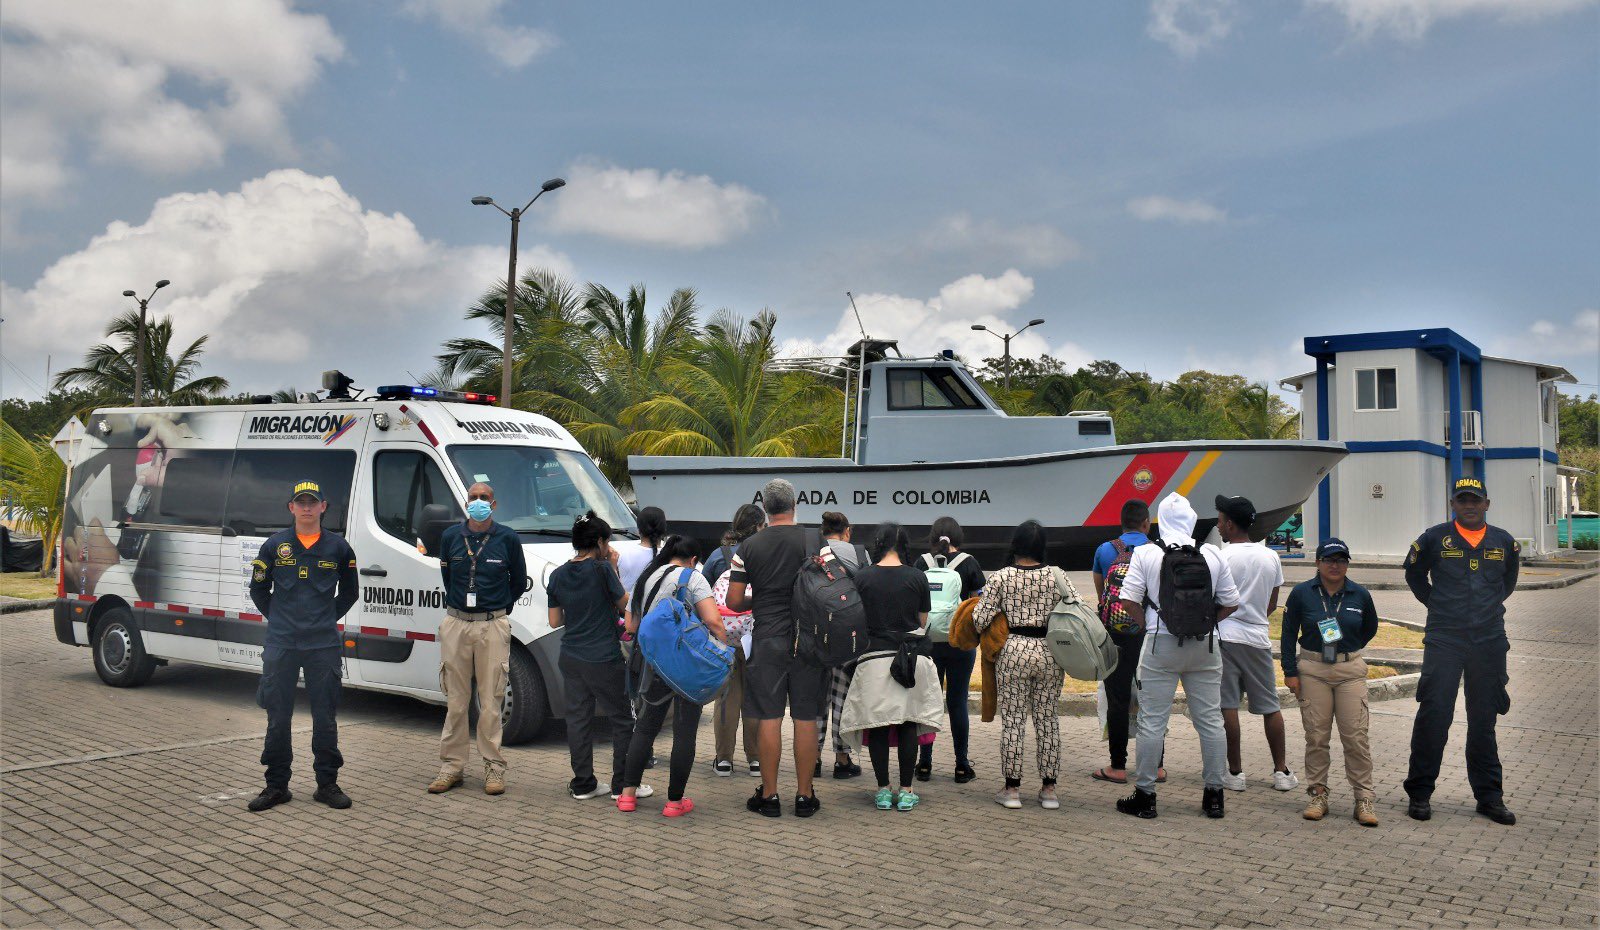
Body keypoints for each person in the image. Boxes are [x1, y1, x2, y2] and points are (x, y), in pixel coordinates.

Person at [1114, 493, 1241, 821]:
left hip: (1161, 644)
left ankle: (1145, 795)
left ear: (1160, 521)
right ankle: (1214, 795)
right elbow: (1231, 601)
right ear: (1192, 520)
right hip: (1205, 644)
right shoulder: (1212, 552)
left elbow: (1127, 600)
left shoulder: (1146, 552)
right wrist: (1208, 622)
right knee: (1211, 721)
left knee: (1152, 721)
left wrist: (1150, 624)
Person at [1403, 477, 1521, 826]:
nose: (1469, 505)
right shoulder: (1433, 538)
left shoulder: (1505, 542)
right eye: (1462, 500)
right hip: (1445, 638)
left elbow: (1508, 583)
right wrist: (1437, 605)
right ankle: (1420, 793)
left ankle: (1489, 797)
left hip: (1488, 640)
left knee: (1484, 720)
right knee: (1435, 714)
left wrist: (1487, 609)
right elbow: (1414, 576)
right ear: (1453, 504)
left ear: (1487, 504)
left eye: (1476, 500)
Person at [245, 480, 360, 812]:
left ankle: (327, 784)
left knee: (325, 716)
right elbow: (258, 590)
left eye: (313, 502)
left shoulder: (339, 548)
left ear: (323, 507)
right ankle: (276, 786)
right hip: (282, 643)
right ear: (291, 508)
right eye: (301, 502)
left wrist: (325, 619)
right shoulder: (274, 546)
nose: (307, 507)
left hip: (322, 644)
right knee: (278, 717)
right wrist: (279, 619)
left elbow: (350, 593)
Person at [726, 479, 826, 817]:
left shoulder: (748, 548)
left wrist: (764, 599)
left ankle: (769, 796)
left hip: (768, 638)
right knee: (805, 716)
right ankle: (804, 796)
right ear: (794, 504)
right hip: (808, 639)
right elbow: (832, 587)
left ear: (765, 509)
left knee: (769, 716)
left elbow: (734, 601)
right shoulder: (816, 541)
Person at [427, 483, 529, 797]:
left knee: (491, 701)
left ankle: (493, 769)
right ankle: (452, 767)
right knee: (456, 701)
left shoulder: (508, 538)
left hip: (492, 624)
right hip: (456, 622)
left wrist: (498, 610)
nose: (479, 502)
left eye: (484, 498)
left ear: (494, 504)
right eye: (474, 498)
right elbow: (448, 578)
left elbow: (518, 581)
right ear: (466, 502)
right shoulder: (450, 538)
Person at [616, 536, 728, 816]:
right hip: (687, 668)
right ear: (693, 560)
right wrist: (723, 646)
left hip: (653, 665)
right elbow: (713, 620)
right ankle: (674, 802)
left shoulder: (647, 577)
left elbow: (631, 624)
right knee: (684, 732)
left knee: (645, 727)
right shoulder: (693, 577)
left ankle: (628, 795)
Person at [548, 511, 653, 802]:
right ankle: (622, 784)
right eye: (606, 541)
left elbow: (555, 621)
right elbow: (625, 606)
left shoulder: (557, 575)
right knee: (622, 719)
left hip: (570, 656)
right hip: (603, 658)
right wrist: (614, 568)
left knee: (579, 721)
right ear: (598, 541)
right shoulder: (602, 569)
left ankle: (583, 784)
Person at [1283, 538, 1380, 825]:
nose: (1335, 565)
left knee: (1355, 737)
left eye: (1341, 560)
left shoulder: (1359, 594)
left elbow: (1369, 628)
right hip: (1313, 670)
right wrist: (1290, 671)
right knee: (1316, 736)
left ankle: (1364, 799)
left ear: (1348, 563)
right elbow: (1288, 634)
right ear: (1318, 563)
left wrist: (1346, 649)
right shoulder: (1302, 594)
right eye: (1329, 560)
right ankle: (1317, 794)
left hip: (1349, 671)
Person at [842, 522, 939, 810]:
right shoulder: (917, 576)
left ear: (878, 544)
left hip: (873, 659)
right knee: (908, 721)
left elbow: (855, 620)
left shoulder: (862, 578)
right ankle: (907, 790)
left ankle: (883, 790)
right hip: (909, 658)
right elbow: (922, 622)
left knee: (879, 725)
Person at [972, 520, 1066, 811]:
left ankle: (1012, 789)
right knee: (1047, 719)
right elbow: (1076, 610)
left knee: (1013, 720)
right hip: (1050, 652)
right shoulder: (1057, 575)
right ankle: (1049, 789)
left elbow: (979, 619)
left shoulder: (1000, 578)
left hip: (1013, 651)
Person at [1213, 494, 1296, 795]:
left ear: (1231, 525)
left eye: (1221, 520)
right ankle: (1282, 771)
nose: (1219, 525)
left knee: (1228, 705)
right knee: (1270, 707)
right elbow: (1271, 605)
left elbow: (1217, 600)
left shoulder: (1220, 557)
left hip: (1225, 636)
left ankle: (1235, 773)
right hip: (1258, 638)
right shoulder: (1271, 556)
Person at [1089, 500, 1162, 785]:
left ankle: (1117, 766)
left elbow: (1101, 593)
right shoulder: (1157, 551)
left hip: (1115, 634)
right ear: (1146, 524)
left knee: (1117, 698)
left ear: (1122, 523)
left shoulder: (1105, 550)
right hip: (1149, 633)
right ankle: (1156, 766)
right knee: (1152, 696)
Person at [916, 516, 985, 783]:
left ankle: (924, 764)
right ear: (959, 537)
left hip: (927, 643)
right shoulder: (969, 563)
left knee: (926, 701)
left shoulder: (922, 563)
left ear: (933, 537)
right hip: (960, 643)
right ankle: (961, 765)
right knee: (957, 702)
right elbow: (979, 602)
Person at [703, 503, 765, 777]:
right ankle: (755, 759)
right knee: (754, 697)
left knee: (727, 697)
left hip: (723, 637)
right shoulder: (763, 553)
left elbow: (702, 592)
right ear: (759, 527)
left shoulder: (719, 555)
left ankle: (724, 759)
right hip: (756, 636)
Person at [817, 510, 867, 780]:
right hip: (849, 636)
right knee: (842, 698)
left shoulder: (812, 550)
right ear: (847, 531)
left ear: (823, 531)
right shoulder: (858, 554)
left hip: (815, 634)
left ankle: (811, 758)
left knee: (815, 698)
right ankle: (842, 760)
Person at [617, 506, 667, 605]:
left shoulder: (622, 554)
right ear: (663, 529)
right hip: (660, 615)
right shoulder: (670, 556)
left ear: (639, 529)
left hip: (628, 614)